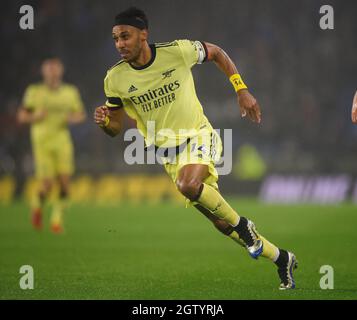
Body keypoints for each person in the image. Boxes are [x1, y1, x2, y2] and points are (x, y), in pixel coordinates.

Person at [94, 7, 297, 289]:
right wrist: (105, 123)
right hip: (169, 156)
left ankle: (244, 226)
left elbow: (216, 52)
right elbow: (115, 127)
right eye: (115, 39)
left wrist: (241, 89)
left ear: (143, 35)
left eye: (125, 36)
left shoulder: (177, 51)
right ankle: (281, 258)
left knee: (187, 185)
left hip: (199, 137)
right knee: (221, 224)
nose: (119, 44)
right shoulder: (114, 79)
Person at [18, 57, 86, 233]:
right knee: (47, 185)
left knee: (64, 183)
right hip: (42, 142)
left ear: (61, 71)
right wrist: (35, 117)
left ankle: (56, 221)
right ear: (44, 72)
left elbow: (81, 114)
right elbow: (22, 116)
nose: (53, 72)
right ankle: (37, 207)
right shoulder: (34, 91)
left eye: (55, 68)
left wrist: (72, 118)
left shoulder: (70, 92)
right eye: (49, 69)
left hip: (62, 141)